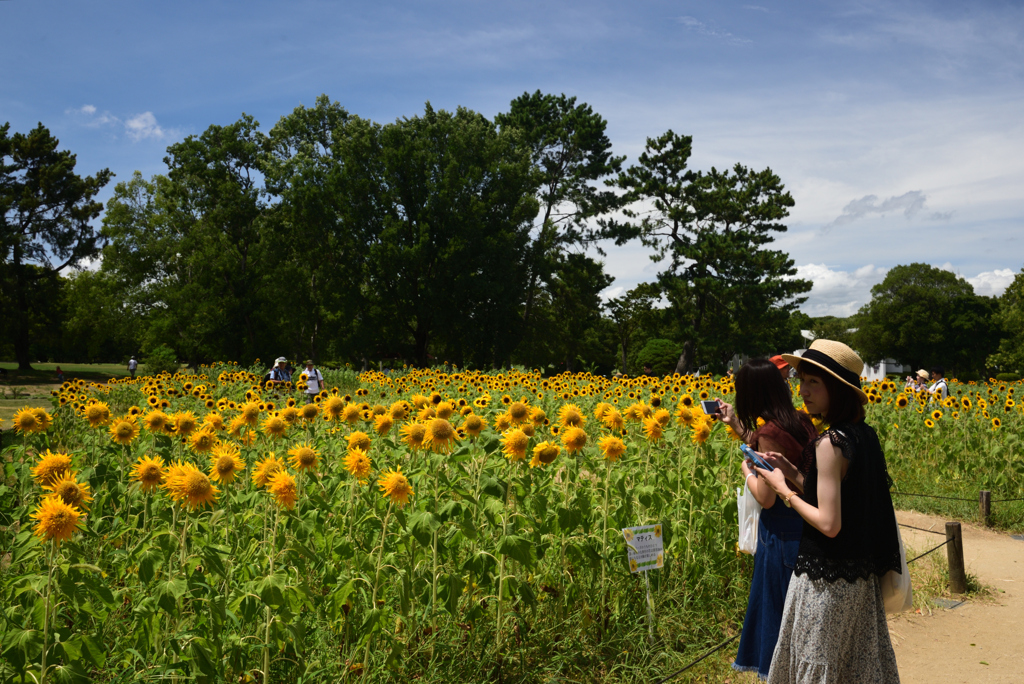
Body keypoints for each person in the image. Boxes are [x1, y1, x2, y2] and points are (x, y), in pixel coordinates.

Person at [755, 339, 901, 683]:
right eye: (801, 379)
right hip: (858, 579)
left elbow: (829, 523)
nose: (802, 390)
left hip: (825, 582)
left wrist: (783, 491)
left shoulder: (829, 443)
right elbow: (840, 498)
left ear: (837, 388)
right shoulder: (862, 435)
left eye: (813, 382)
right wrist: (791, 472)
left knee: (816, 665)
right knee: (855, 668)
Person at [717, 358, 818, 680]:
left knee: (779, 618)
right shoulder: (802, 422)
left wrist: (747, 471)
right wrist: (736, 426)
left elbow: (766, 495)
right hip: (807, 528)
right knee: (803, 617)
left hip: (781, 536)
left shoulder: (768, 432)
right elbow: (771, 446)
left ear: (750, 393)